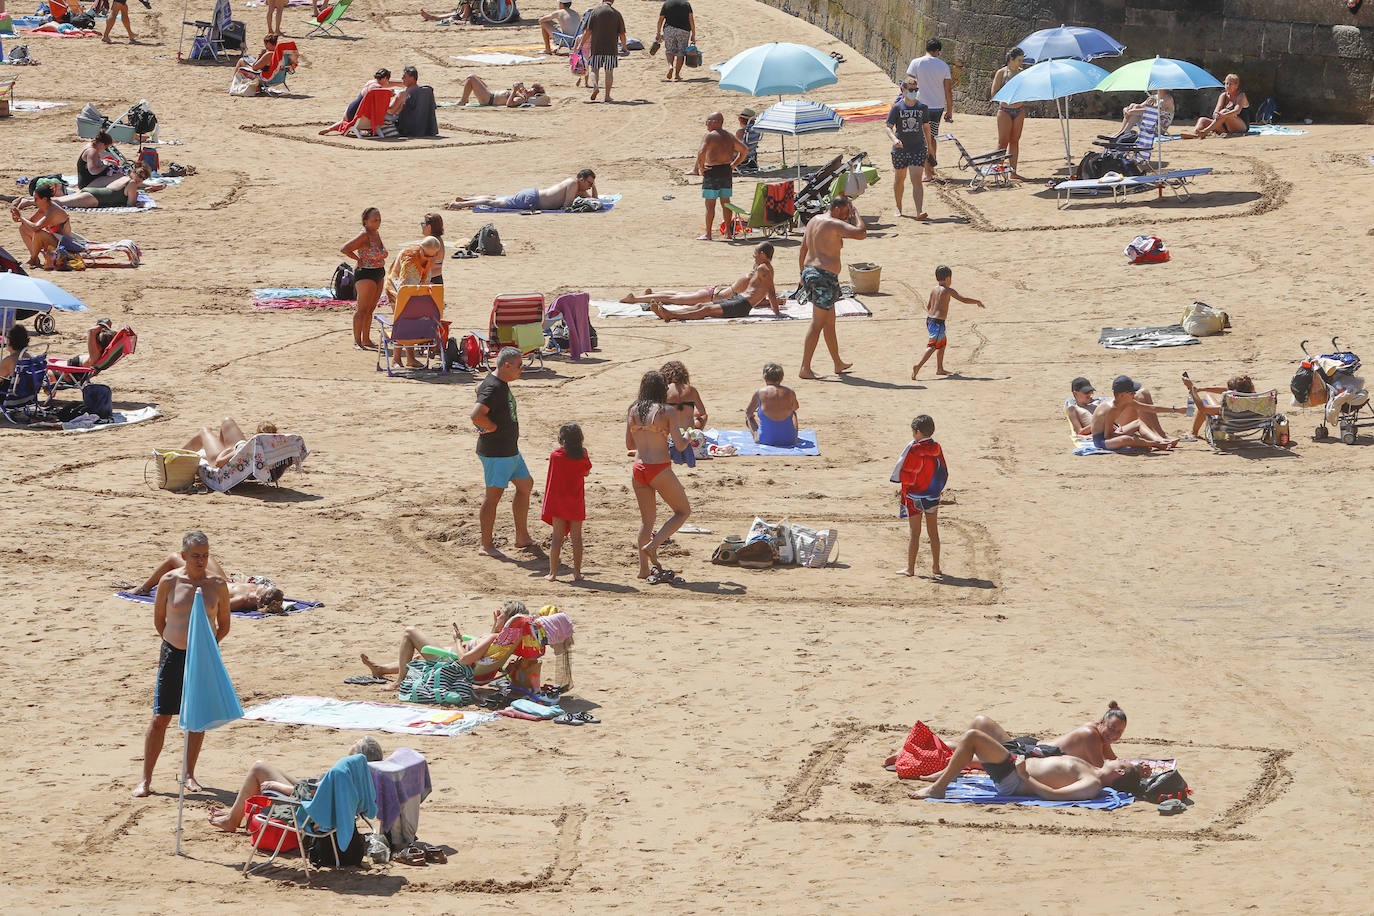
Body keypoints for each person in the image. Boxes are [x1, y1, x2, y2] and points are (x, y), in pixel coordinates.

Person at [132, 530, 232, 798]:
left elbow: (224, 625)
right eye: (196, 556)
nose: (201, 561)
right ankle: (146, 779)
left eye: (205, 556)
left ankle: (189, 775)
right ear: (185, 555)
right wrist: (176, 641)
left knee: (196, 718)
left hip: (202, 656)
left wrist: (206, 647)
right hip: (173, 652)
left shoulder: (217, 585)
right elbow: (159, 621)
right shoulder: (169, 581)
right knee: (160, 717)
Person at [209, 736, 384, 833]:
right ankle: (235, 812)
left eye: (354, 746)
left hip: (307, 806)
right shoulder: (365, 779)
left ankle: (231, 820)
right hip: (313, 793)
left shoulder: (344, 774)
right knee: (272, 769)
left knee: (259, 767)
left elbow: (317, 796)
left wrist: (276, 786)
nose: (351, 745)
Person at [911, 728, 1141, 801]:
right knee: (974, 743)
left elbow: (1053, 796)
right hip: (1016, 768)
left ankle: (938, 788)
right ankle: (944, 775)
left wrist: (1024, 775)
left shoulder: (1092, 784)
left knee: (973, 737)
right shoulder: (1092, 769)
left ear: (1119, 771)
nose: (1116, 758)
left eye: (1120, 762)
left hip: (1014, 780)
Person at [359, 601, 542, 690]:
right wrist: (496, 625)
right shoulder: (503, 639)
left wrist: (457, 639)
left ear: (507, 619)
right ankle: (381, 669)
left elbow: (464, 660)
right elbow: (487, 651)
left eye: (501, 613)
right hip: (454, 659)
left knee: (410, 632)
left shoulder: (494, 638)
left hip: (450, 661)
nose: (497, 613)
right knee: (416, 658)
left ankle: (398, 682)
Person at [626, 370, 690, 584]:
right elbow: (680, 444)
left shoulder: (633, 410)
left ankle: (643, 569)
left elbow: (629, 445)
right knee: (682, 511)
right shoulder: (666, 411)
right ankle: (654, 544)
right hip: (658, 468)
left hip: (639, 468)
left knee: (646, 521)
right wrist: (689, 436)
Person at [472, 347, 534, 559]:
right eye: (519, 366)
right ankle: (486, 544)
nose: (522, 370)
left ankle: (522, 537)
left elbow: (479, 388)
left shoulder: (497, 383)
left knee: (525, 485)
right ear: (506, 366)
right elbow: (476, 415)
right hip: (497, 452)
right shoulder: (494, 387)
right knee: (493, 498)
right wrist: (490, 427)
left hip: (510, 449)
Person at [625, 242, 784, 321]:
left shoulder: (764, 269)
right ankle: (668, 312)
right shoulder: (762, 268)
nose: (753, 256)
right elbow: (763, 292)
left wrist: (777, 313)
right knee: (702, 306)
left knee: (705, 310)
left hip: (742, 305)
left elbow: (770, 290)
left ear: (763, 254)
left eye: (755, 253)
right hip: (738, 300)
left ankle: (671, 314)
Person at [798, 195, 865, 379]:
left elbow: (803, 248)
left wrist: (802, 275)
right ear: (836, 209)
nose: (846, 216)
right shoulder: (833, 223)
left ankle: (837, 362)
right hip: (822, 277)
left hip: (815, 274)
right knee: (818, 322)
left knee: (829, 322)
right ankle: (805, 368)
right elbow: (861, 233)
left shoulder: (814, 220)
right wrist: (857, 213)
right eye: (845, 212)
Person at [958, 702, 1129, 769]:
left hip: (1033, 748)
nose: (1114, 735)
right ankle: (939, 753)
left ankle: (948, 748)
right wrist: (1132, 770)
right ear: (1101, 722)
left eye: (1119, 732)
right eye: (1111, 728)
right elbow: (1101, 767)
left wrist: (1131, 767)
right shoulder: (1090, 735)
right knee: (969, 758)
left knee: (971, 751)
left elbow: (1113, 760)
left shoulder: (1100, 736)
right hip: (1030, 752)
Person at [892, 414, 947, 577]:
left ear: (917, 432)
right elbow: (943, 470)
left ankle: (910, 568)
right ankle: (936, 567)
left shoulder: (915, 449)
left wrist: (906, 491)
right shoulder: (936, 447)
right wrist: (936, 490)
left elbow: (908, 473)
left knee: (914, 533)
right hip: (932, 495)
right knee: (933, 532)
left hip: (915, 496)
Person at [912, 265, 985, 378]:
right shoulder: (948, 290)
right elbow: (964, 300)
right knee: (932, 346)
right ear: (948, 279)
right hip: (938, 323)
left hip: (930, 320)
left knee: (942, 344)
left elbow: (929, 306)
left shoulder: (934, 289)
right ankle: (918, 366)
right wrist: (977, 301)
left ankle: (940, 369)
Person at [690, 111, 750, 241]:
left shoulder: (710, 136)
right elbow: (744, 151)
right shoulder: (729, 136)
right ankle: (728, 232)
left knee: (710, 205)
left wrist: (701, 167)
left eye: (708, 121)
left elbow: (701, 152)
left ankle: (708, 234)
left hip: (712, 171)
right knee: (726, 203)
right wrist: (734, 164)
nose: (706, 124)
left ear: (715, 122)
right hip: (725, 170)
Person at [543, 422, 591, 581]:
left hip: (558, 502)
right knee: (577, 538)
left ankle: (553, 573)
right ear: (581, 439)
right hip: (575, 502)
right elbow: (586, 473)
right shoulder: (582, 455)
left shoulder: (555, 456)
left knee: (557, 537)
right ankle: (577, 572)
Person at [1089, 375, 1184, 451]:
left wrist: (1176, 410)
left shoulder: (1127, 401)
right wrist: (1129, 436)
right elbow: (1108, 436)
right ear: (1122, 395)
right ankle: (1156, 444)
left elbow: (1151, 408)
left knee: (1138, 423)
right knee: (1126, 439)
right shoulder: (1111, 408)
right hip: (1102, 440)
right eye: (1132, 392)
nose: (1135, 394)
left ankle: (1160, 440)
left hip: (1112, 433)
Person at [886, 75, 935, 219]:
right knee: (900, 178)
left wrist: (930, 147)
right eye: (911, 89)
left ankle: (919, 210)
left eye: (916, 89)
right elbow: (888, 127)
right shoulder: (896, 108)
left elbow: (926, 127)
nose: (914, 92)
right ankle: (898, 207)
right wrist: (894, 139)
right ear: (903, 89)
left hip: (918, 148)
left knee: (916, 179)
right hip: (900, 149)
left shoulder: (922, 107)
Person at [905, 37, 953, 182]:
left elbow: (909, 84)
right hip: (937, 107)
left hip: (920, 105)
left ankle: (927, 172)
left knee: (922, 139)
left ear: (926, 48)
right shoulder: (944, 66)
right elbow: (948, 90)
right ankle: (930, 168)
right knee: (932, 137)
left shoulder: (916, 63)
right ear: (938, 50)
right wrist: (949, 110)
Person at [446, 169, 597, 212]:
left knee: (495, 198)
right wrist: (582, 197)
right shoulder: (572, 184)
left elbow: (595, 201)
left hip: (532, 196)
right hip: (532, 200)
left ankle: (466, 199)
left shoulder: (578, 187)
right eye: (589, 183)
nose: (589, 187)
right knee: (496, 203)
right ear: (581, 180)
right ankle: (461, 205)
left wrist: (593, 187)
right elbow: (567, 205)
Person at [342, 207, 386, 350]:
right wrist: (357, 259)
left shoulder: (375, 233)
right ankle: (357, 341)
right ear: (366, 221)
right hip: (366, 273)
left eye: (379, 219)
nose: (378, 222)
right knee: (362, 309)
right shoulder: (364, 235)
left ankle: (366, 339)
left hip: (379, 271)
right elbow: (345, 248)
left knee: (370, 309)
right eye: (374, 220)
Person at [8, 184, 75, 268]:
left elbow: (35, 227)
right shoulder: (44, 207)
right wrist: (17, 217)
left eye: (36, 199)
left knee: (39, 234)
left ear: (44, 199)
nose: (34, 201)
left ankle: (33, 259)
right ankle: (35, 259)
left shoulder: (53, 210)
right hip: (55, 243)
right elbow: (30, 223)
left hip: (64, 248)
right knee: (23, 228)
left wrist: (21, 217)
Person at [1182, 371, 1257, 438]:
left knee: (1205, 401)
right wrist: (1202, 389)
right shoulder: (1257, 401)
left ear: (1232, 393)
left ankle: (1194, 432)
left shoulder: (1229, 407)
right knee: (1209, 396)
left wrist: (1192, 389)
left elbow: (1202, 408)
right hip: (1246, 424)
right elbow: (1227, 391)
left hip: (1228, 424)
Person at [989, 47, 1027, 177]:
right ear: (1011, 59)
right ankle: (999, 170)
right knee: (1003, 142)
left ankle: (1013, 172)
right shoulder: (1002, 72)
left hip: (1019, 110)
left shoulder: (1022, 73)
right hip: (1005, 110)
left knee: (1015, 141)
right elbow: (994, 93)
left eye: (1022, 60)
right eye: (1019, 60)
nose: (1020, 63)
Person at [43, 164, 150, 210]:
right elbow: (130, 204)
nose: (140, 179)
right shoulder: (132, 184)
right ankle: (31, 202)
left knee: (58, 200)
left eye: (143, 178)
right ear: (134, 172)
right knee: (59, 202)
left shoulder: (123, 177)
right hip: (95, 198)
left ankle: (33, 200)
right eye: (139, 175)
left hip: (93, 193)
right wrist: (139, 203)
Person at [182, 417, 278, 468]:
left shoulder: (247, 448)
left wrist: (228, 450)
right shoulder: (279, 448)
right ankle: (220, 445)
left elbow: (219, 463)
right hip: (241, 451)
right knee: (227, 421)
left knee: (204, 431)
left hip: (220, 460)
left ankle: (175, 458)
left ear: (256, 434)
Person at [661, 360, 706, 465]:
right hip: (689, 434)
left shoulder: (664, 390)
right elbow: (703, 413)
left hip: (669, 435)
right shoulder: (692, 390)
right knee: (699, 416)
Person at [745, 362, 799, 448]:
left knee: (748, 417)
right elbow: (795, 407)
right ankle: (793, 435)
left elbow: (748, 411)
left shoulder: (760, 392)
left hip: (764, 440)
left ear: (765, 378)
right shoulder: (790, 392)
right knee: (794, 413)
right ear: (781, 378)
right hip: (789, 441)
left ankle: (756, 435)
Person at [1182, 73, 1249, 138]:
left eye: (1230, 84)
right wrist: (1216, 115)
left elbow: (1237, 111)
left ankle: (1205, 131)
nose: (1228, 86)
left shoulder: (1241, 96)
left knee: (1224, 111)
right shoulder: (1223, 95)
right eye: (1226, 84)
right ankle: (1195, 133)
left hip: (1240, 126)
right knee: (1202, 120)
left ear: (1236, 86)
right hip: (1224, 125)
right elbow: (1216, 111)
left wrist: (1223, 115)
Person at [583, 0, 626, 102]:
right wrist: (624, 46)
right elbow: (622, 34)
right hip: (611, 48)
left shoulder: (595, 12)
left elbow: (588, 31)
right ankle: (607, 96)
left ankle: (595, 87)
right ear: (612, 1)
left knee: (594, 69)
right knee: (609, 71)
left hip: (596, 46)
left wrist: (581, 44)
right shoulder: (616, 14)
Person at [655, 0, 694, 82]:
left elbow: (661, 19)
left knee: (669, 50)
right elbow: (691, 19)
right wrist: (693, 34)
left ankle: (670, 66)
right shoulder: (686, 4)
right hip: (683, 30)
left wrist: (658, 32)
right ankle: (677, 75)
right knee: (681, 52)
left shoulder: (666, 4)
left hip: (669, 30)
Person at [458, 74, 547, 108]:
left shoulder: (522, 99)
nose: (527, 90)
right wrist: (517, 90)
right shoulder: (521, 95)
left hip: (488, 99)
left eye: (530, 92)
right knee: (475, 77)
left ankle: (463, 101)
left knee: (471, 78)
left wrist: (515, 90)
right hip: (490, 94)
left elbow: (509, 104)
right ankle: (465, 99)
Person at [0, 324, 30, 394]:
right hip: (27, 397)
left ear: (9, 341)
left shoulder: (9, 361)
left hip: (10, 398)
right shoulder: (29, 357)